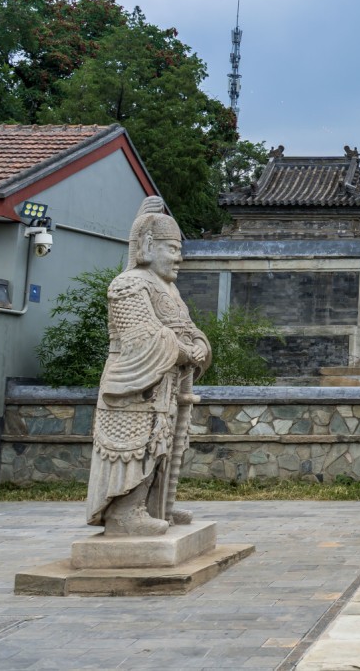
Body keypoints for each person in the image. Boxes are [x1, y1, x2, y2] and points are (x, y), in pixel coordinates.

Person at [86, 197, 211, 536]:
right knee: (134, 448)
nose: (179, 257)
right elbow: (143, 337)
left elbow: (186, 327)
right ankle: (124, 512)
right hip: (134, 384)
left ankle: (157, 506)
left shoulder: (168, 289)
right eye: (172, 249)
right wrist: (185, 351)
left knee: (161, 446)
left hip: (165, 384)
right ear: (148, 246)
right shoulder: (128, 284)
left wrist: (199, 344)